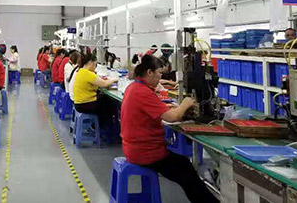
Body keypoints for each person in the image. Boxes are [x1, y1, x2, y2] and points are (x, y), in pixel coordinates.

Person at [121, 55, 218, 203]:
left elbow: (152, 112)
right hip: (145, 153)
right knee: (186, 170)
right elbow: (172, 117)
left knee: (184, 165)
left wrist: (172, 109)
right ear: (149, 72)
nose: (160, 77)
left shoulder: (134, 87)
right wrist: (185, 104)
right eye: (159, 73)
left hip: (134, 148)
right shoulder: (142, 92)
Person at [73, 53, 119, 127]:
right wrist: (114, 79)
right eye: (95, 64)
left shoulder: (81, 71)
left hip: (79, 103)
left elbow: (97, 81)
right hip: (85, 104)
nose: (95, 67)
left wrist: (102, 80)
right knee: (111, 105)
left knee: (105, 99)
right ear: (91, 62)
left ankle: (100, 125)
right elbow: (105, 84)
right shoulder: (88, 74)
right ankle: (105, 128)